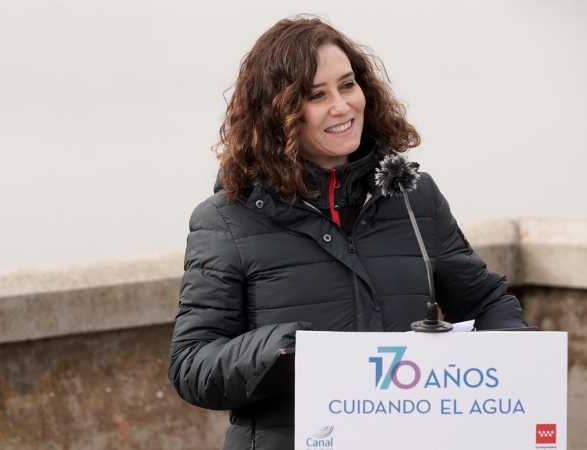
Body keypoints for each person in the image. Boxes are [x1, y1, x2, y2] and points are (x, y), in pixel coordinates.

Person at [168, 16, 528, 450]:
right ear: (277, 113)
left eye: (348, 84)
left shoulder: (416, 197)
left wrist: (511, 364)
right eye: (317, 96)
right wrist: (282, 351)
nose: (342, 106)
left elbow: (487, 303)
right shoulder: (225, 220)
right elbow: (191, 366)